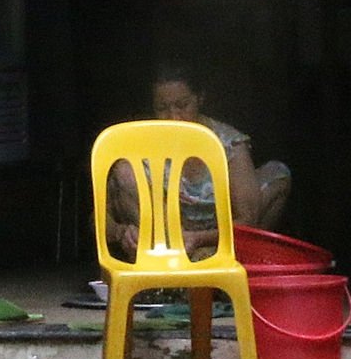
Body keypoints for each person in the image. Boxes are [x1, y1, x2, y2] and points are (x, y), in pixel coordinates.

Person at [106, 65, 290, 259]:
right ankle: (163, 263)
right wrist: (121, 232)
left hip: (219, 235)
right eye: (163, 108)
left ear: (199, 98)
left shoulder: (229, 143)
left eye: (183, 105)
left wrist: (201, 239)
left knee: (278, 173)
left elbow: (248, 219)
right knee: (124, 171)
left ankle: (237, 258)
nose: (174, 117)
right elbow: (100, 219)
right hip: (166, 237)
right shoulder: (143, 146)